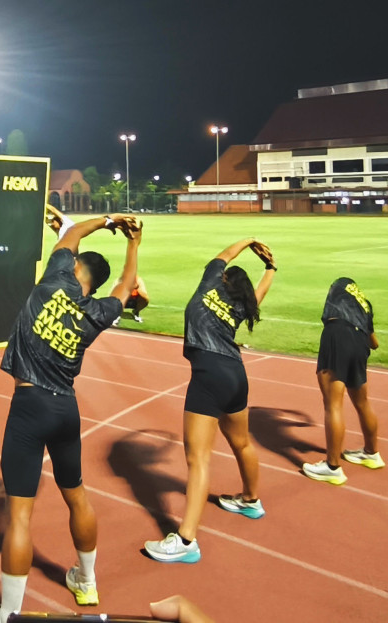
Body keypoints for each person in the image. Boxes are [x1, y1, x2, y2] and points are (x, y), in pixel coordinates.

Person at [0, 214, 142, 623]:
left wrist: (110, 220)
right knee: (76, 494)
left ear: (76, 268)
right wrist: (135, 245)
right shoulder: (97, 312)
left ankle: (8, 614)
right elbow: (126, 286)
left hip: (29, 408)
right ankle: (87, 579)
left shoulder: (54, 279)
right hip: (66, 409)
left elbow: (71, 233)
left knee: (19, 516)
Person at [144, 238, 276, 564]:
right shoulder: (242, 306)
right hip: (235, 375)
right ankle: (251, 500)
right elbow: (258, 295)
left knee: (199, 460)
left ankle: (186, 540)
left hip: (208, 376)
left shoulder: (209, 284)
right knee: (242, 444)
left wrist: (249, 242)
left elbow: (223, 255)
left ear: (224, 278)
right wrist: (271, 268)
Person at [302, 278, 384, 484]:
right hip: (359, 343)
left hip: (338, 336)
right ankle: (371, 453)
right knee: (362, 402)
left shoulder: (337, 289)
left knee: (333, 404)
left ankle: (332, 467)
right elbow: (374, 343)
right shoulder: (365, 303)